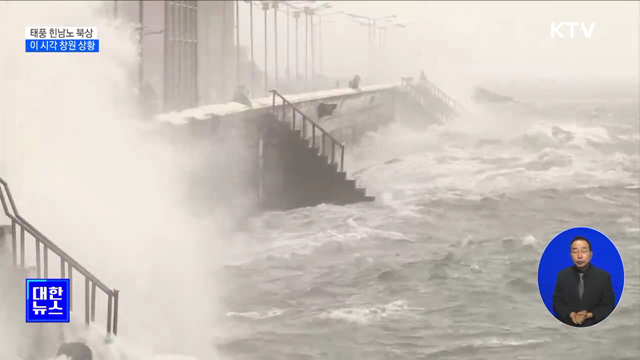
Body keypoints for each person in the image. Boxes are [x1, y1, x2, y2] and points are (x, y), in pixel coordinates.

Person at [552, 236, 616, 327]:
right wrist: (572, 315)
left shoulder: (604, 276)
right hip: (567, 325)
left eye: (584, 251)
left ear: (591, 254)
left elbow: (609, 306)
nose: (579, 256)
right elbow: (557, 303)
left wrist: (588, 315)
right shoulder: (562, 275)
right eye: (575, 251)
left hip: (595, 325)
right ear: (570, 254)